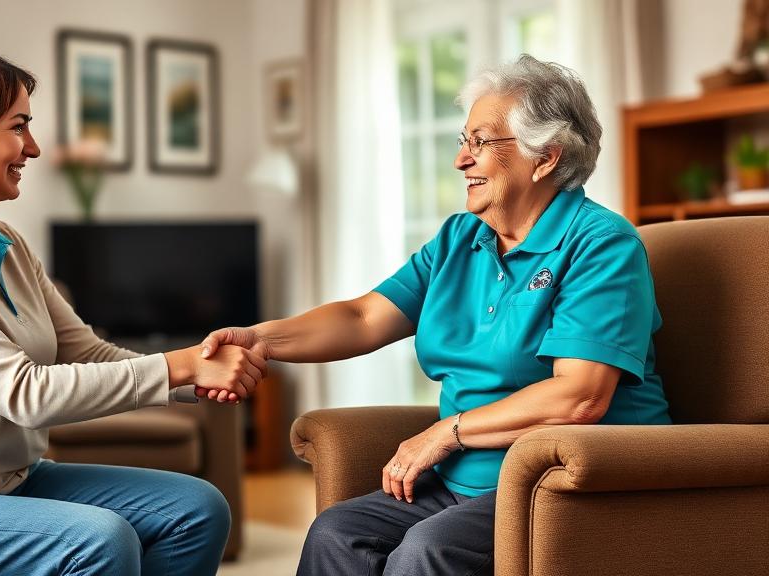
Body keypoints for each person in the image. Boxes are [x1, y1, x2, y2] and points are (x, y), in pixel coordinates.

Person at [198, 54, 672, 576]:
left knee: (426, 549)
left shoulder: (601, 245)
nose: (461, 161)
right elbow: (362, 318)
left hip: (562, 483)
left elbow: (579, 396)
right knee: (336, 533)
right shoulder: (460, 239)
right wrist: (261, 340)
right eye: (462, 141)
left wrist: (446, 432)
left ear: (545, 158)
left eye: (481, 143)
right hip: (462, 482)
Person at [0, 42, 264, 576]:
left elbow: (86, 351)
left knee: (195, 510)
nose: (32, 148)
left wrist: (198, 371)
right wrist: (179, 365)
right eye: (18, 127)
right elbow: (25, 393)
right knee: (98, 541)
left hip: (7, 482)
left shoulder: (6, 244)